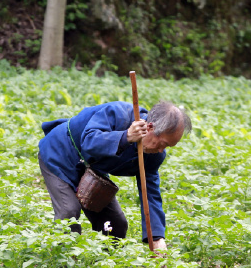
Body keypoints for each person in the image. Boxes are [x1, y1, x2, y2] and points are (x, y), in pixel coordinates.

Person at [38, 100, 192, 250]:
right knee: (68, 211)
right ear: (150, 127)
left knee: (115, 223)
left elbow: (150, 193)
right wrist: (125, 137)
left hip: (91, 171)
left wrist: (157, 237)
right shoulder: (118, 114)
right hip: (60, 154)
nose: (161, 150)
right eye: (163, 143)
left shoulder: (154, 155)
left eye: (167, 147)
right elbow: (89, 142)